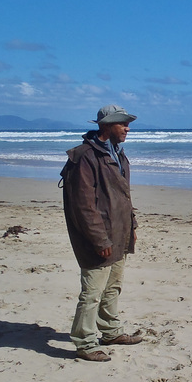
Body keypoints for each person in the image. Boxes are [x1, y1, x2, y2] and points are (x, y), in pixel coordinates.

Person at [61, 105, 143, 361]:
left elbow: (123, 197)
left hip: (119, 232)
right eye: (122, 123)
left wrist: (132, 226)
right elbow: (83, 205)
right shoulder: (84, 156)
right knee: (92, 292)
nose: (127, 128)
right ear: (106, 126)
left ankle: (110, 331)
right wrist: (99, 239)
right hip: (99, 237)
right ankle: (85, 342)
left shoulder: (117, 153)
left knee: (113, 287)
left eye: (127, 123)